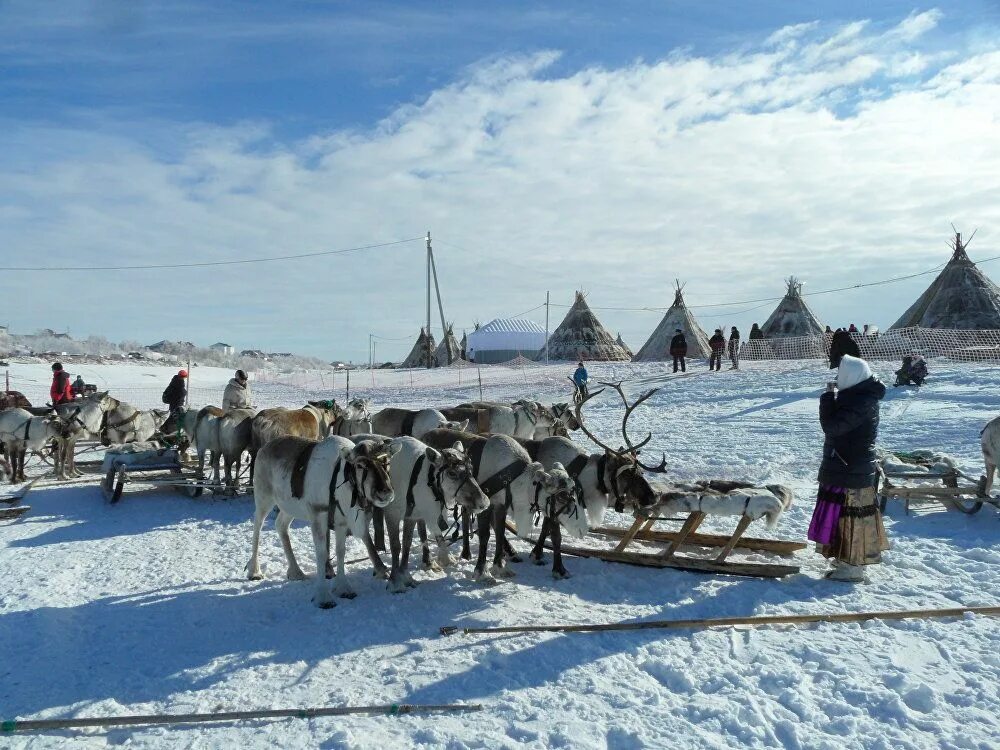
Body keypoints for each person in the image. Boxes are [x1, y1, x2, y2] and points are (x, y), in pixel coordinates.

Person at [807, 352, 889, 582]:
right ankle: (843, 558)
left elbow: (832, 427)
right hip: (845, 465)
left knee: (851, 517)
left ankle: (853, 566)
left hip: (851, 468)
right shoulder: (857, 396)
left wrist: (826, 398)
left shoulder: (861, 401)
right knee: (840, 515)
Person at [161, 370, 188, 436]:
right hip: (177, 405)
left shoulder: (174, 381)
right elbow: (181, 393)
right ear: (183, 377)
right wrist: (185, 393)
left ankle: (167, 430)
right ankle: (169, 433)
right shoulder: (180, 383)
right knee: (175, 420)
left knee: (172, 418)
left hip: (173, 404)